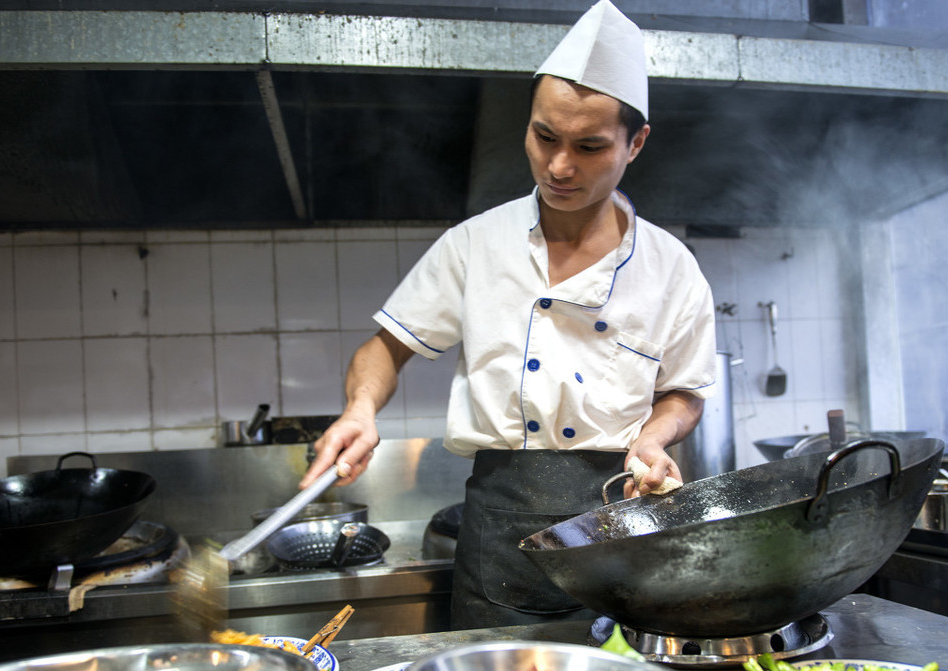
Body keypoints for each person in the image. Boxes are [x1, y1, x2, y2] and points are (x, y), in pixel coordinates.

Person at [300, 0, 717, 629]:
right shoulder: (476, 245)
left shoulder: (671, 267)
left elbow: (684, 392)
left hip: (626, 524)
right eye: (544, 136)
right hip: (499, 534)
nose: (558, 166)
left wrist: (654, 439)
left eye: (589, 146)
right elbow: (383, 349)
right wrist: (360, 409)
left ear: (636, 144)